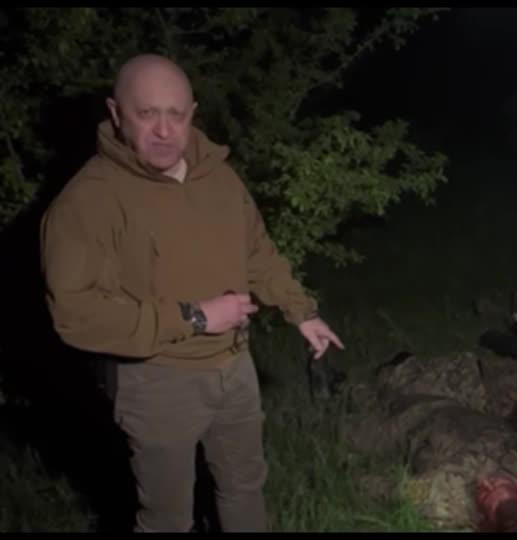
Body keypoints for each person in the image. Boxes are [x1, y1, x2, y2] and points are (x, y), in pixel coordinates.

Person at [39, 53, 345, 532]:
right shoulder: (88, 200)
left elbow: (258, 250)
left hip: (235, 369)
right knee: (168, 518)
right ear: (117, 114)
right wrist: (196, 317)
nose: (164, 130)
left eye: (176, 114)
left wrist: (300, 311)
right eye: (147, 114)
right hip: (159, 381)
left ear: (192, 113)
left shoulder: (217, 176)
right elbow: (75, 314)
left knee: (244, 487)